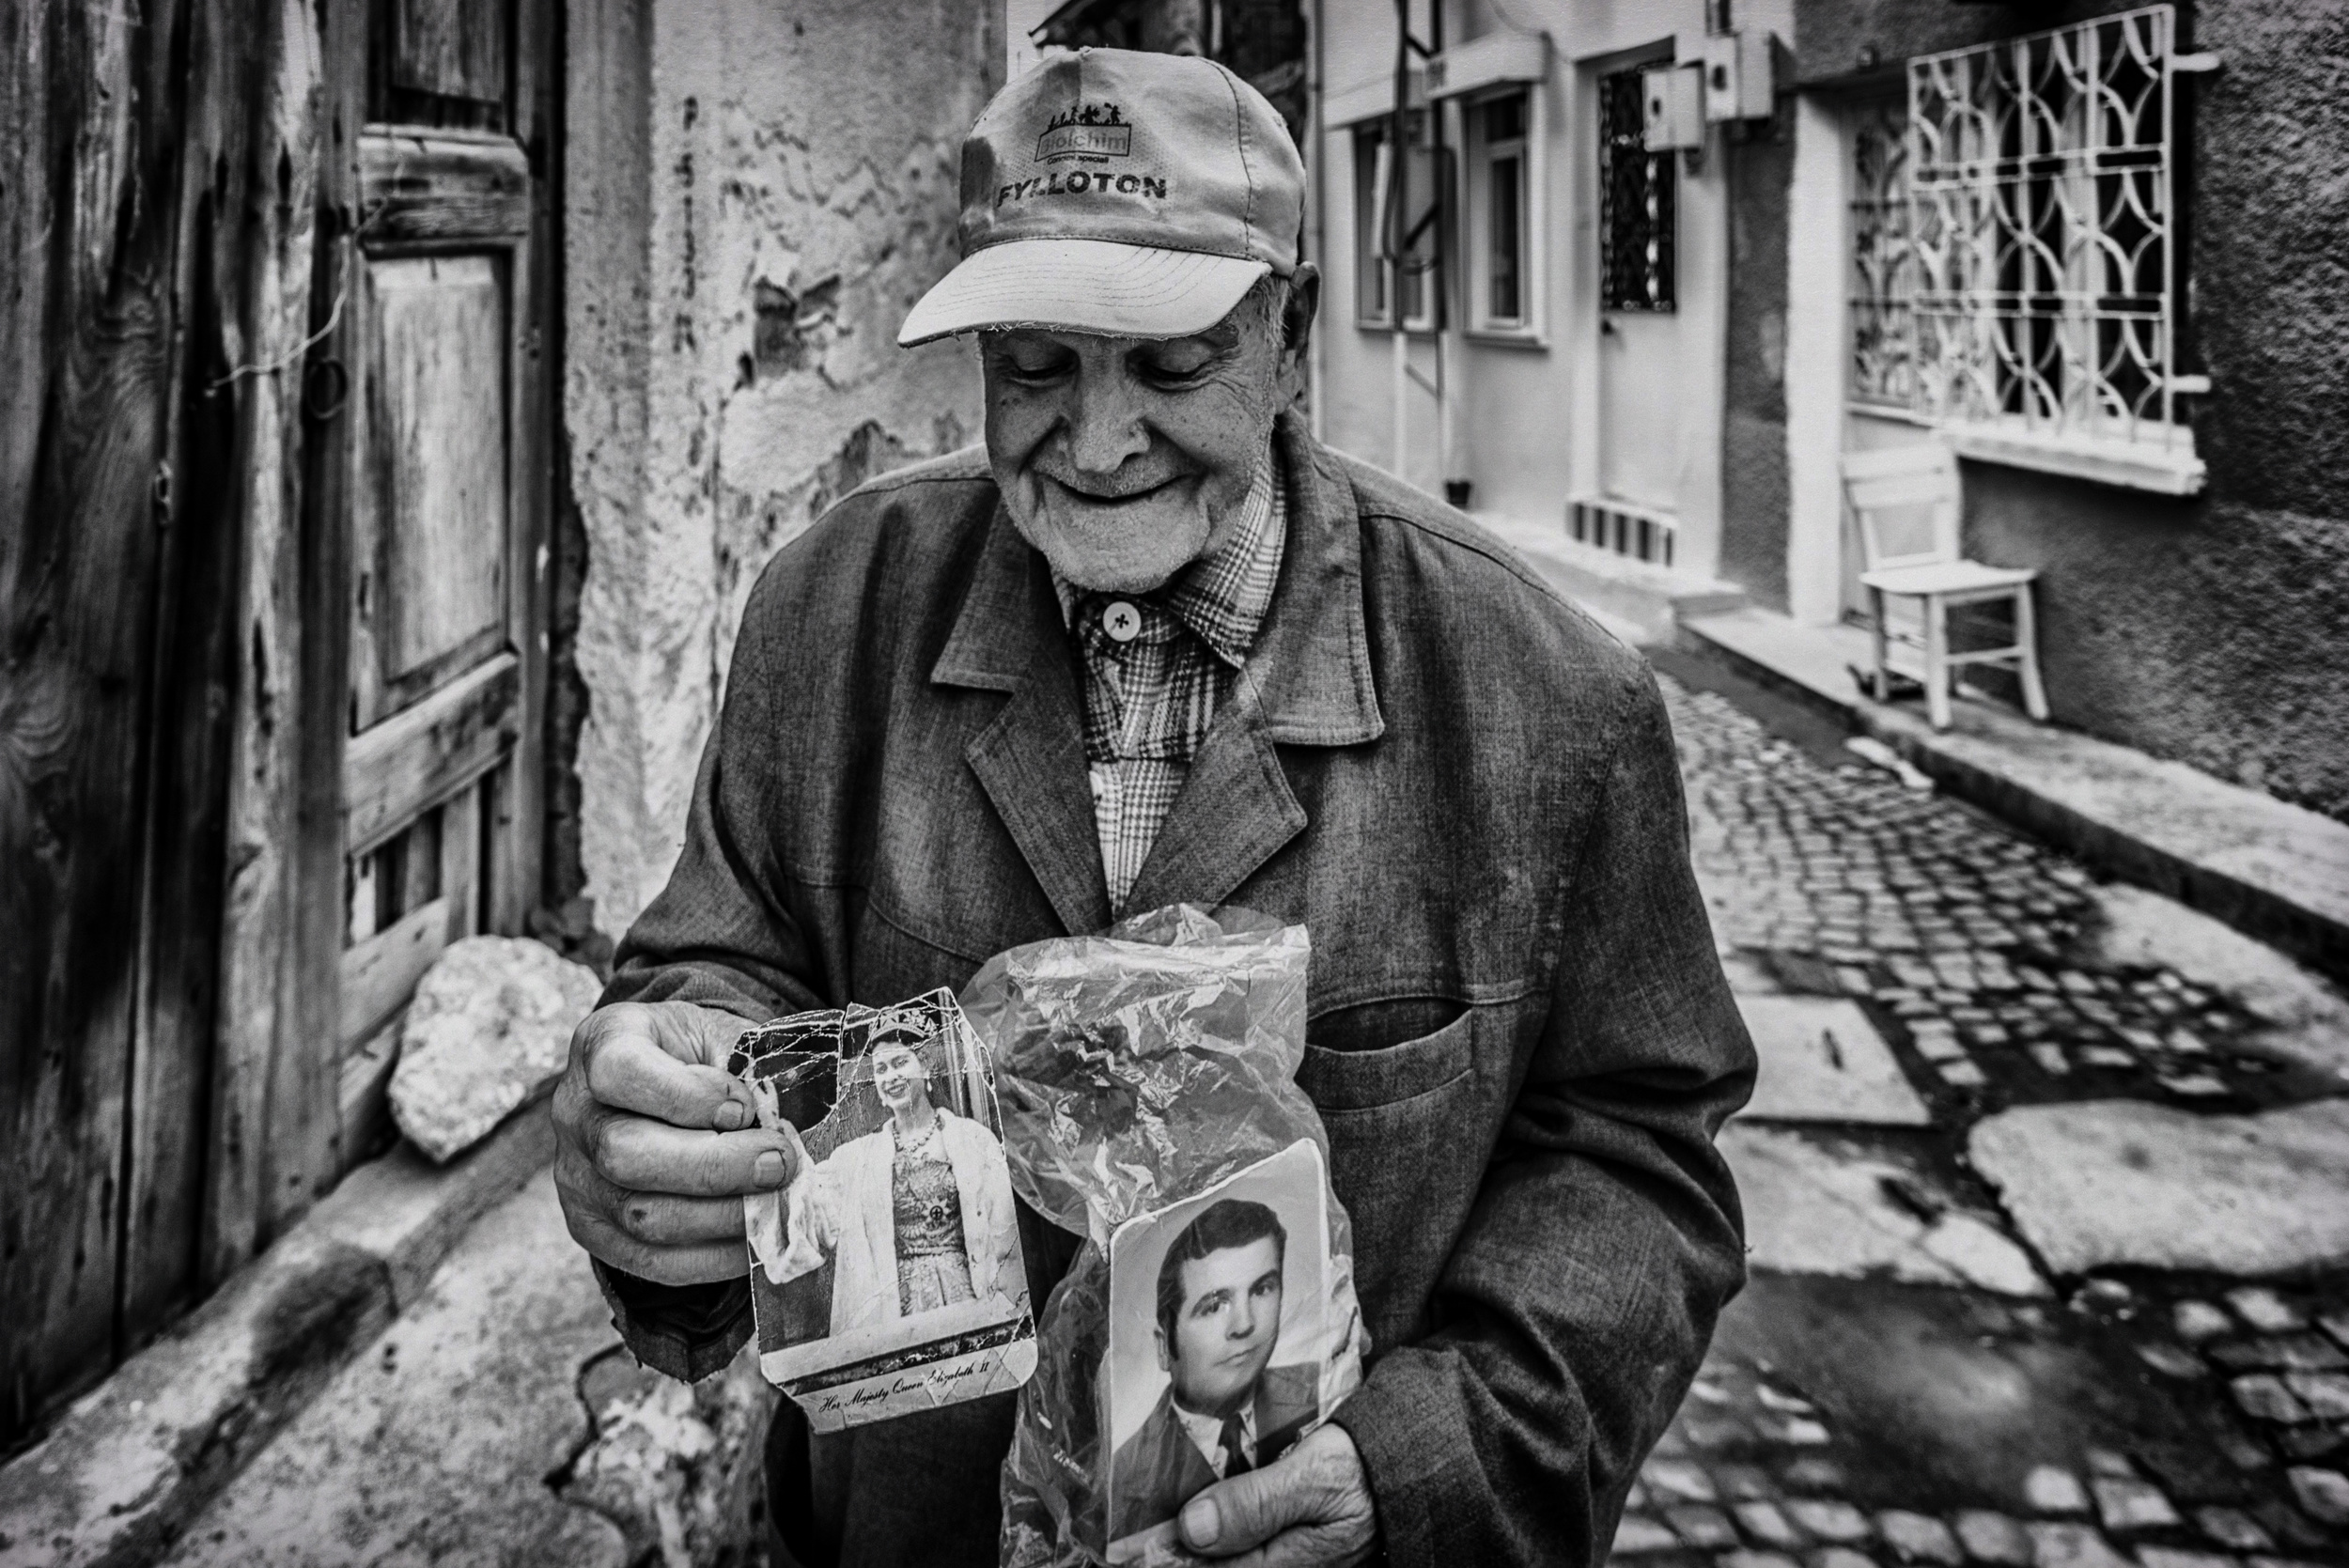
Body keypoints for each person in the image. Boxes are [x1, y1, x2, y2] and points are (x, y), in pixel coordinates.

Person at [552, 45, 1753, 1568]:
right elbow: (724, 962)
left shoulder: (1546, 690)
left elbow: (1637, 1156)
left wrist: (1421, 1466)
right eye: (1034, 365)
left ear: (1291, 337)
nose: (1099, 441)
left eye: (1174, 365)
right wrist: (660, 1107)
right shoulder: (829, 607)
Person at [748, 1034, 1024, 1338]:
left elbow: (1007, 1240)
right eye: (881, 1069)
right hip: (893, 1318)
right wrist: (770, 1125)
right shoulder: (856, 1160)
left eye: (900, 1063)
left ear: (926, 1066)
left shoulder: (974, 1141)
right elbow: (811, 1212)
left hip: (971, 1305)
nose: (890, 1077)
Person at [1110, 1200, 1320, 1544]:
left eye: (1262, 1290)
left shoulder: (1322, 1385)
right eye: (1214, 1306)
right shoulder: (1121, 1478)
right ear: (1164, 1347)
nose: (1245, 1324)